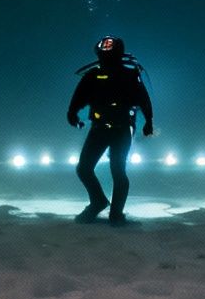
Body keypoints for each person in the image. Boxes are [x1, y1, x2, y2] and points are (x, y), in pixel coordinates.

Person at [66, 35, 154, 223]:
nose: (105, 59)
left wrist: (149, 121)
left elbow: (144, 100)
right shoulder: (92, 76)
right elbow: (78, 98)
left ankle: (116, 213)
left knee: (117, 171)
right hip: (99, 129)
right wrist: (72, 113)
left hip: (120, 130)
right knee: (84, 168)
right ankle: (98, 202)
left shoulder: (130, 76)